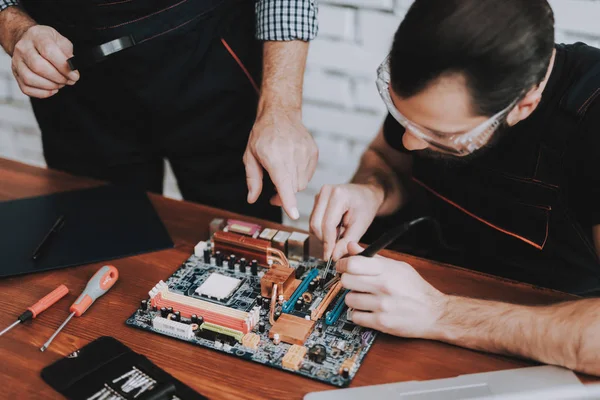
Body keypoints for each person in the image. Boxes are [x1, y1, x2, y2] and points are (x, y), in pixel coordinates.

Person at [310, 0, 600, 375]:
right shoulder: (439, 66)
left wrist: (441, 313)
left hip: (531, 342)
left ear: (524, 106)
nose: (411, 143)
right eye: (402, 115)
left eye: (441, 136)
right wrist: (371, 190)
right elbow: (386, 162)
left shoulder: (590, 119)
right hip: (400, 299)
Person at [0, 0, 319, 222]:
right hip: (74, 76)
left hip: (212, 55)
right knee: (98, 241)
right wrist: (15, 28)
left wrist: (281, 109)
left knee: (243, 237)